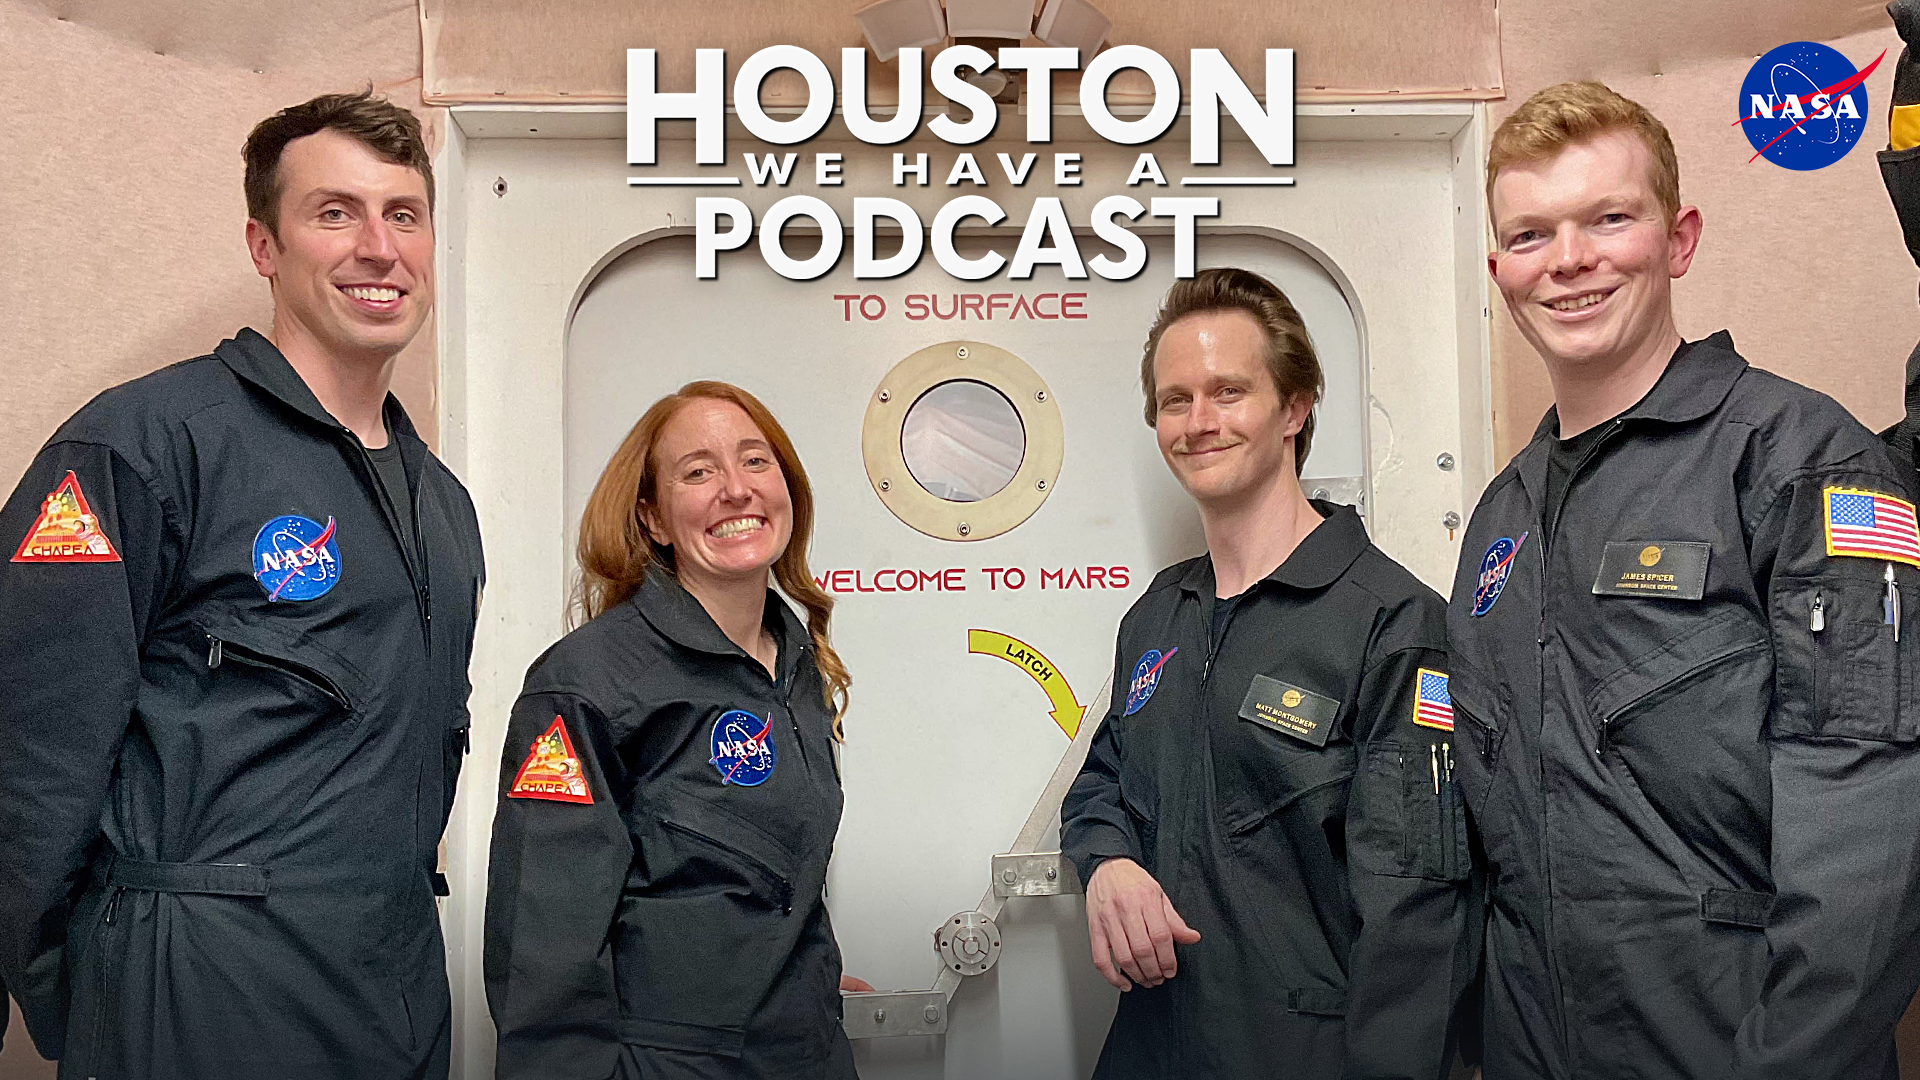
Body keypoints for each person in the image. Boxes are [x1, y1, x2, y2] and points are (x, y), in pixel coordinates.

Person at [0, 90, 484, 1078]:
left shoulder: (445, 509)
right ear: (264, 246)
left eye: (404, 214)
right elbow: (27, 765)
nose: (379, 248)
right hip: (200, 1001)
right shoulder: (140, 448)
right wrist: (102, 992)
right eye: (334, 212)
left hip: (393, 999)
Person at [1449, 80, 1920, 1078]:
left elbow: (1871, 815)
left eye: (1609, 218)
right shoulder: (1500, 520)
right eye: (1531, 235)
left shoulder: (1798, 462)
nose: (1569, 259)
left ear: (1679, 239)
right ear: (1499, 270)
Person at [1060, 268, 1479, 1080]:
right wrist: (1108, 864)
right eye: (1175, 400)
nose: (1198, 421)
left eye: (1227, 391)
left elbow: (1419, 917)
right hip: (1150, 1048)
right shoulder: (1158, 615)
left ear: (1294, 407)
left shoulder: (1390, 622)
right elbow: (1103, 779)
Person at [485, 381, 866, 1080]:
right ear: (654, 519)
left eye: (756, 461)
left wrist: (807, 989)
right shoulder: (587, 684)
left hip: (804, 1052)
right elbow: (541, 959)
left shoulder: (798, 661)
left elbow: (772, 880)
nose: (735, 489)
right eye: (697, 472)